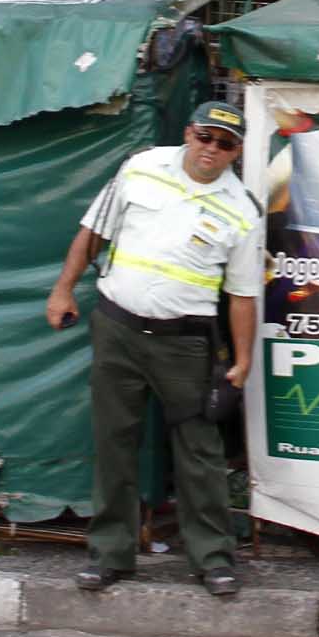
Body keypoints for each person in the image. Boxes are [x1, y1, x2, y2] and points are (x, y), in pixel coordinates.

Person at [47, 101, 260, 598]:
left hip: (186, 343)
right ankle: (109, 556)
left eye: (225, 143)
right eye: (205, 136)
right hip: (118, 328)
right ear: (189, 133)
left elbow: (244, 295)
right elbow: (92, 232)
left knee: (199, 451)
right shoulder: (140, 167)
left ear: (237, 152)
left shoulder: (242, 209)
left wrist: (243, 360)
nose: (211, 149)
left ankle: (212, 560)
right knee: (113, 442)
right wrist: (62, 289)